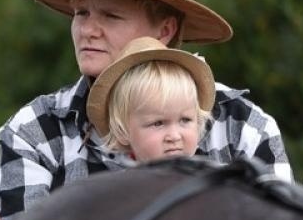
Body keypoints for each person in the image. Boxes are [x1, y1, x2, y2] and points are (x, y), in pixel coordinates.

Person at [0, 0, 291, 220]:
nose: (87, 30)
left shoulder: (243, 128)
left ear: (165, 31)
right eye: (81, 13)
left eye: (111, 16)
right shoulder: (34, 132)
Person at [87, 37, 216, 163]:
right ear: (122, 131)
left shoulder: (213, 180)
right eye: (158, 123)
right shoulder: (121, 184)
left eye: (185, 120)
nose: (174, 136)